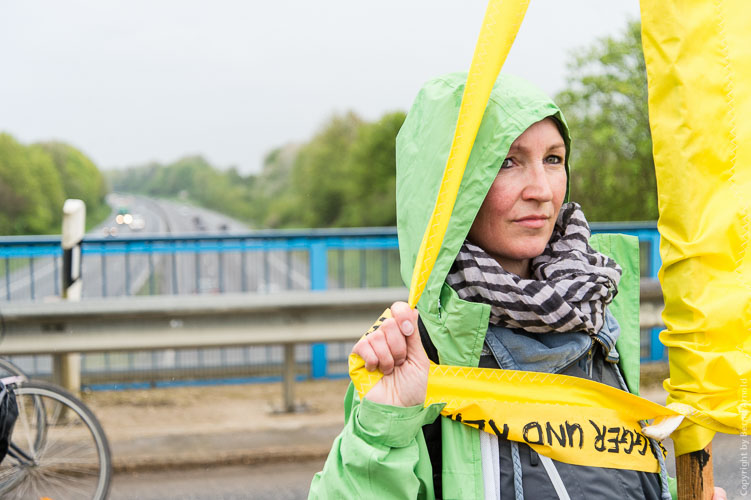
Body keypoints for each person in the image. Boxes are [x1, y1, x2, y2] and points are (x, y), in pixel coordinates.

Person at [309, 73, 727, 500]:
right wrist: (385, 425)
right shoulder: (419, 355)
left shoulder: (596, 312)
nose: (542, 191)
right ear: (449, 187)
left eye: (553, 159)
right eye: (506, 161)